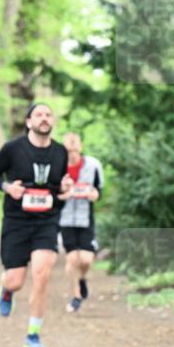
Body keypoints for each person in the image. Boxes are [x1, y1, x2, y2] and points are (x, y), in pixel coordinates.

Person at [0, 102, 71, 347]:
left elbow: (58, 186)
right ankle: (6, 289)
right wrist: (8, 188)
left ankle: (33, 335)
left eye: (48, 114)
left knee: (42, 275)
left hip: (46, 221)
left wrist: (64, 190)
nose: (44, 118)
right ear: (28, 122)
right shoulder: (13, 149)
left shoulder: (60, 152)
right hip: (17, 221)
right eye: (38, 114)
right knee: (15, 281)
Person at [57, 133, 103, 313]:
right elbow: (52, 194)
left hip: (86, 219)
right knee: (71, 259)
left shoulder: (93, 165)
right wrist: (63, 195)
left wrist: (95, 195)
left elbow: (99, 190)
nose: (72, 154)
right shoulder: (58, 167)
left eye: (75, 150)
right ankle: (76, 296)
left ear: (80, 148)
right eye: (68, 151)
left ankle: (82, 279)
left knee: (86, 259)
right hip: (65, 219)